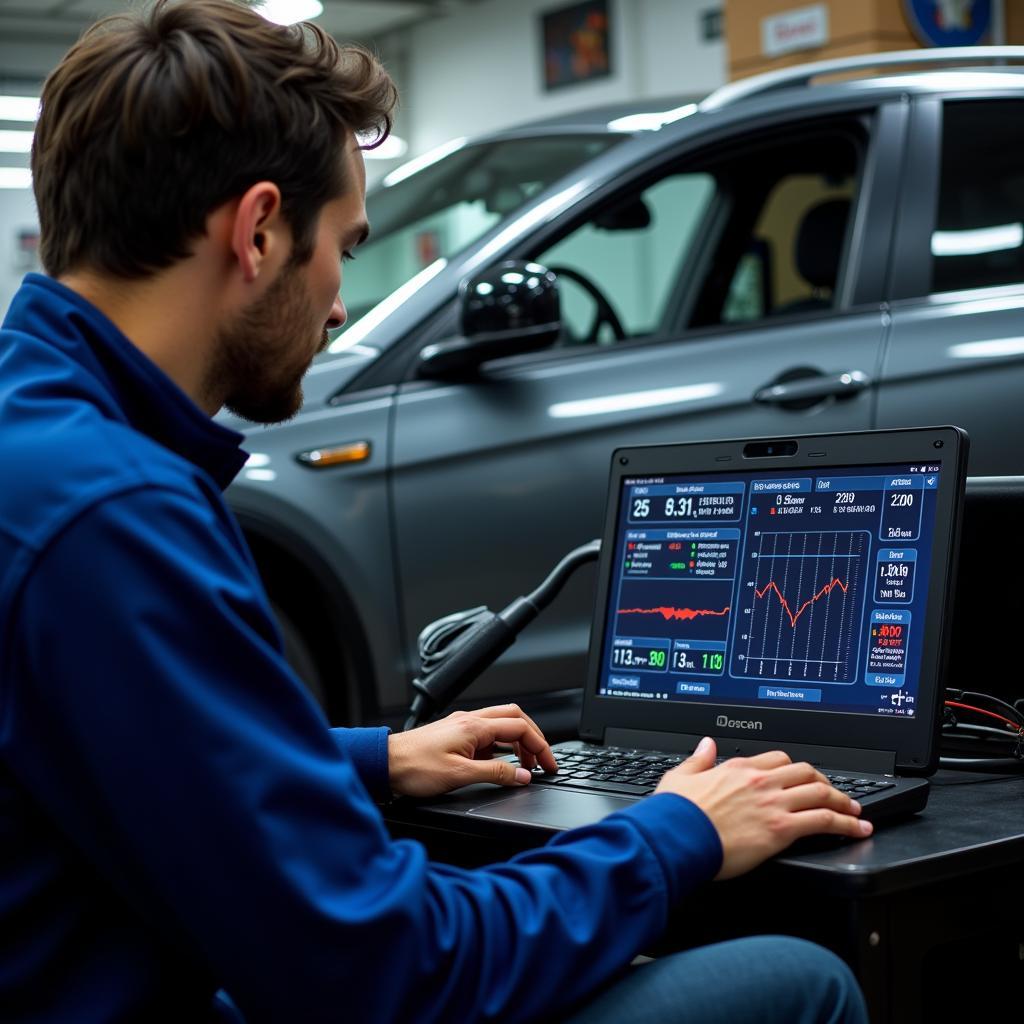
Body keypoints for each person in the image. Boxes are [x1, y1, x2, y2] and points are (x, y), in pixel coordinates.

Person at [0, 2, 871, 1021]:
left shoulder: (42, 448)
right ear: (259, 229)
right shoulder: (117, 515)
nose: (336, 303)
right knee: (796, 983)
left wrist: (367, 760)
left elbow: (120, 751)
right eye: (344, 247)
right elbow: (387, 972)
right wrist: (676, 829)